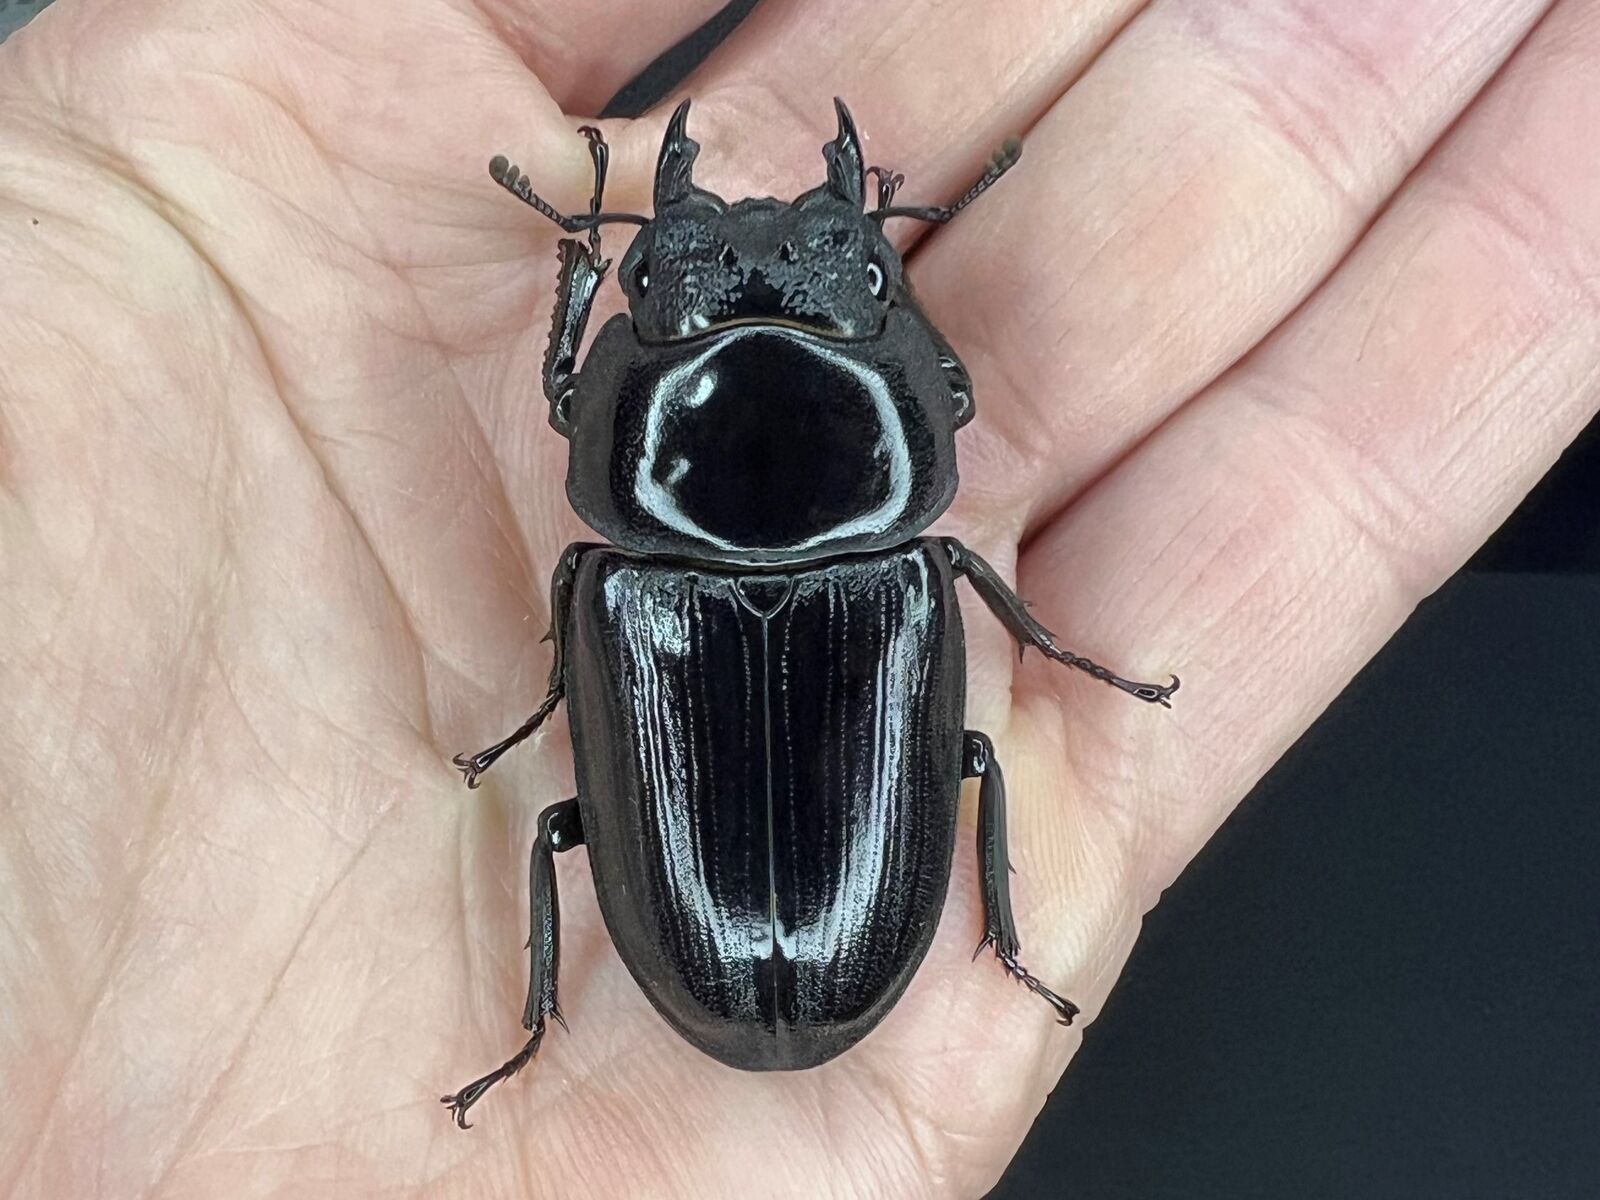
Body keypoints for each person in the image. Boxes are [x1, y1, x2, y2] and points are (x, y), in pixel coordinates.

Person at [0, 0, 1594, 1195]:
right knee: (968, 752)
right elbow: (939, 397)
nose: (760, 261)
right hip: (788, 934)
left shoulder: (610, 581)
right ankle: (993, 954)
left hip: (765, 929)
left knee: (574, 820)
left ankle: (541, 1032)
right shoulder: (907, 568)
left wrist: (590, 264)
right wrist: (871, 265)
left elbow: (572, 401)